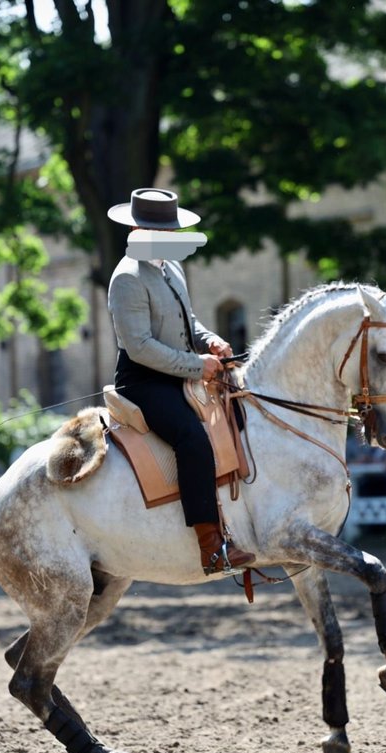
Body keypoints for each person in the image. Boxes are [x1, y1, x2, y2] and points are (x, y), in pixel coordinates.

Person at [106, 188, 255, 574]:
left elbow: (188, 322)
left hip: (184, 369)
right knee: (192, 438)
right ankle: (211, 546)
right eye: (162, 229)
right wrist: (196, 365)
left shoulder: (171, 266)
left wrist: (210, 341)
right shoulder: (126, 278)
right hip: (144, 382)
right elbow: (139, 347)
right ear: (139, 228)